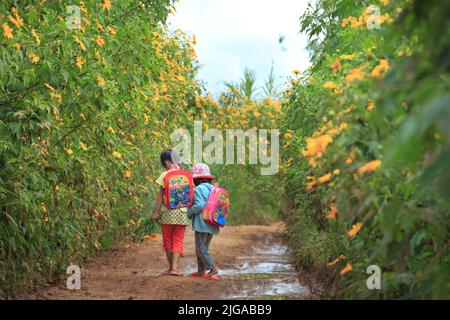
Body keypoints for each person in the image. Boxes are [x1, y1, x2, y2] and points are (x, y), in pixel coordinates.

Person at [151, 150, 190, 276]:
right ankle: (175, 268)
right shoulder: (185, 174)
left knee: (167, 240)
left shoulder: (164, 175)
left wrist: (155, 213)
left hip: (167, 212)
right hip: (182, 213)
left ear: (166, 162)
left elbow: (159, 197)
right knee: (178, 240)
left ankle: (170, 268)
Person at [187, 163, 220, 281]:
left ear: (196, 179)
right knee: (202, 248)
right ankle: (201, 271)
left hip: (202, 223)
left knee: (200, 248)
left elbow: (199, 205)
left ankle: (212, 268)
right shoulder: (213, 189)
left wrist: (189, 213)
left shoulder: (199, 189)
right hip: (212, 222)